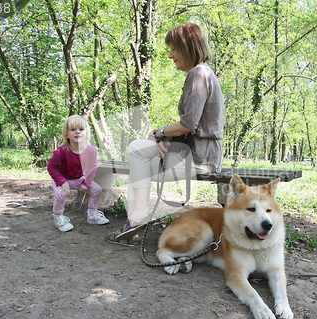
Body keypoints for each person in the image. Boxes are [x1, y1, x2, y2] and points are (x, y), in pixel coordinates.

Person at [107, 23, 224, 244]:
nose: (171, 56)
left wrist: (160, 133)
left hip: (200, 158)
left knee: (136, 150)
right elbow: (192, 125)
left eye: (173, 49)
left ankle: (137, 218)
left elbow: (188, 123)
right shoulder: (204, 73)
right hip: (202, 155)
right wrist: (164, 138)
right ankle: (137, 218)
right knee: (138, 159)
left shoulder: (198, 74)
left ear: (187, 46)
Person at [47, 115, 109, 232]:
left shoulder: (90, 149)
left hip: (79, 179)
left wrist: (86, 183)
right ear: (66, 134)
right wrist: (62, 182)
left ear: (86, 133)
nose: (77, 132)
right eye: (73, 129)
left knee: (97, 190)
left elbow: (92, 166)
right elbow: (51, 167)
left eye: (81, 129)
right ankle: (58, 217)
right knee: (61, 194)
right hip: (61, 179)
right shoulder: (61, 151)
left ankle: (92, 214)